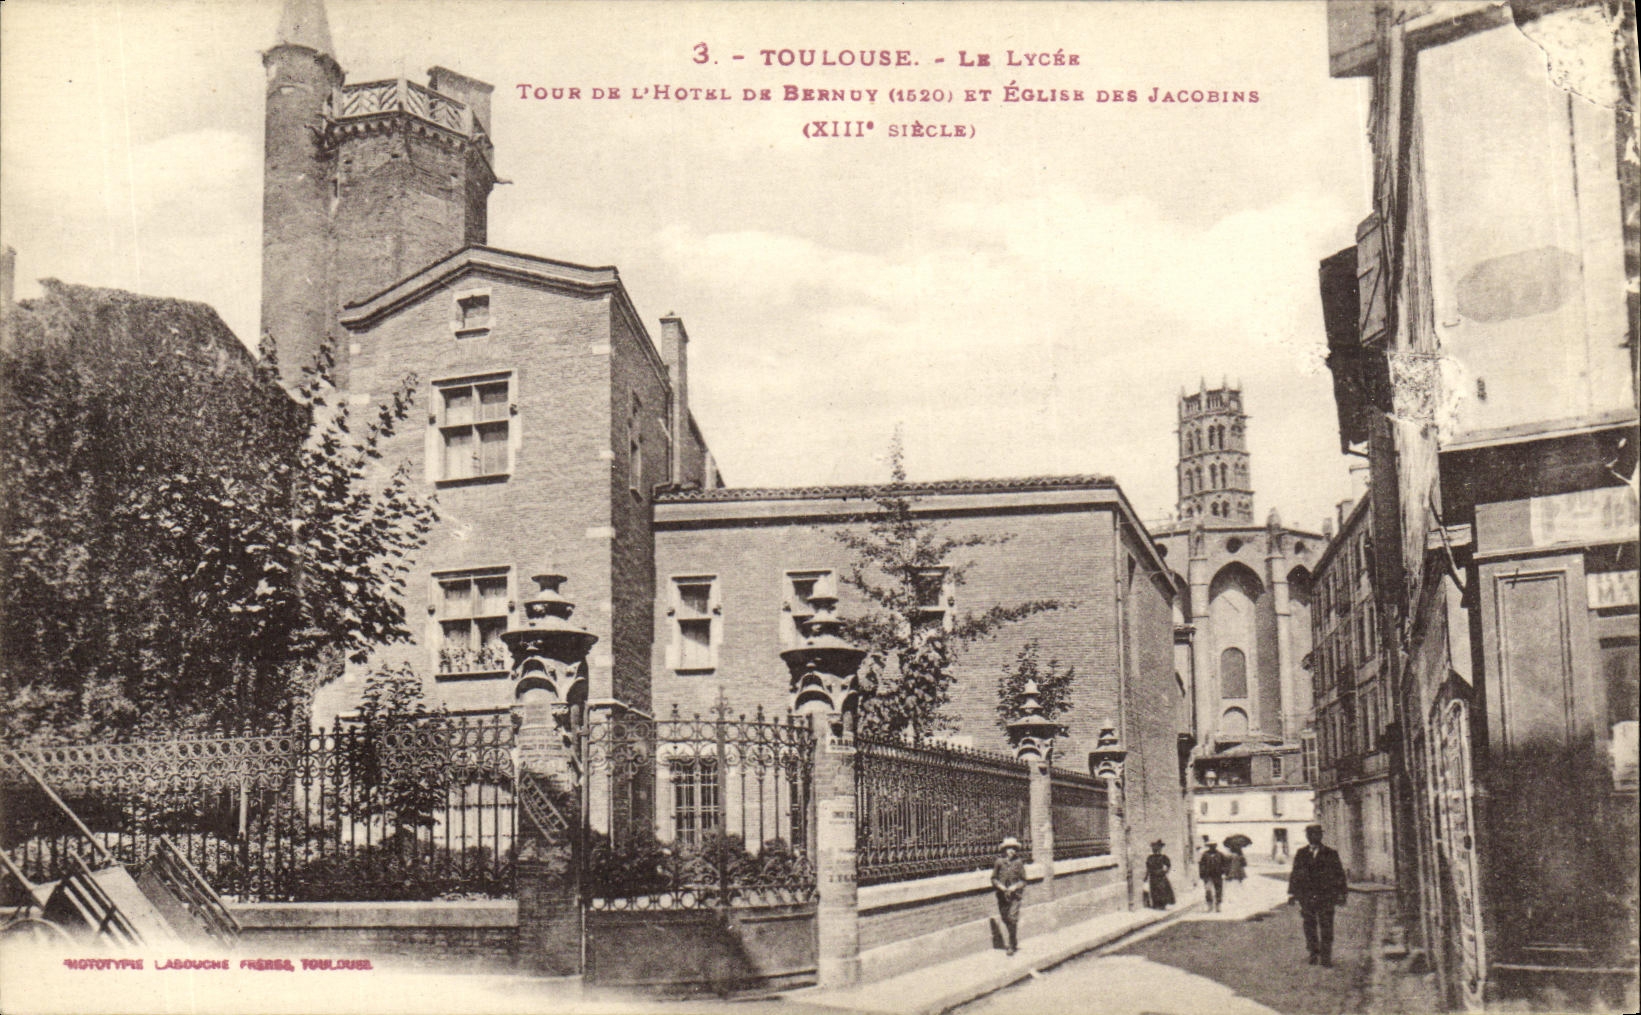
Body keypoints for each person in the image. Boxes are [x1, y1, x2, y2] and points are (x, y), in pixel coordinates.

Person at [1288, 824, 1348, 967]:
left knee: (1326, 926)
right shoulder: (1301, 853)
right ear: (1307, 836)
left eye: (1316, 834)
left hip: (1326, 896)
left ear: (1321, 836)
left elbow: (1339, 874)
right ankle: (1313, 953)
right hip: (1307, 896)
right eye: (1310, 834)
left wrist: (1341, 894)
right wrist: (1292, 893)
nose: (1313, 837)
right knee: (1309, 925)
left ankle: (1326, 957)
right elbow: (1295, 874)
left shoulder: (1330, 853)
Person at [991, 836, 1027, 955]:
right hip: (1002, 896)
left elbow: (1023, 880)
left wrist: (1015, 887)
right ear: (1004, 849)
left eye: (1013, 849)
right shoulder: (999, 862)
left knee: (1012, 917)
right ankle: (1014, 938)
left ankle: (1011, 945)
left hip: (1015, 896)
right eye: (1009, 848)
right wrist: (1000, 887)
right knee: (1005, 918)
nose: (1011, 851)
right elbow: (993, 878)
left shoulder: (1018, 863)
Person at [1144, 839, 1176, 909]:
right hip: (1153, 876)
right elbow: (1148, 868)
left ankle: (1162, 905)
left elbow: (1168, 865)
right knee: (1154, 890)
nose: (1156, 850)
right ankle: (1156, 904)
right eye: (1154, 849)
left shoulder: (1163, 857)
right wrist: (1146, 877)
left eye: (1158, 848)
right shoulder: (1150, 858)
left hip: (1161, 876)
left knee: (1162, 890)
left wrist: (1165, 871)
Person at [1198, 840, 1226, 912]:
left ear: (1216, 846)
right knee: (1208, 890)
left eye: (1213, 845)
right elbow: (1201, 864)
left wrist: (1223, 871)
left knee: (1218, 890)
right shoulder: (1205, 854)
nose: (1212, 847)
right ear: (1208, 847)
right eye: (1210, 846)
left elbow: (1225, 864)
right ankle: (1209, 906)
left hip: (1217, 875)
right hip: (1207, 876)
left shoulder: (1220, 854)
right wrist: (1202, 874)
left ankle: (1218, 906)